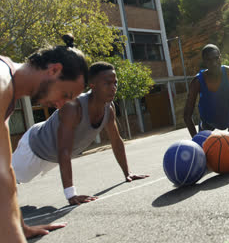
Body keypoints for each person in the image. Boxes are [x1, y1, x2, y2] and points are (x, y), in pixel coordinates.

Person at [13, 62, 149, 207]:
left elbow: (116, 140)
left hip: (54, 157)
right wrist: (71, 194)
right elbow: (63, 150)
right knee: (9, 180)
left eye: (115, 83)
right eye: (107, 83)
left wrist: (127, 173)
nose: (113, 88)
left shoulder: (109, 108)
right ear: (92, 84)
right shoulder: (73, 107)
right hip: (34, 147)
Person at [1, 34, 87, 241]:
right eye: (65, 95)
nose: (60, 105)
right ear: (54, 70)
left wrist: (19, 226)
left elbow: (5, 171)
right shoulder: (2, 81)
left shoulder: (8, 90)